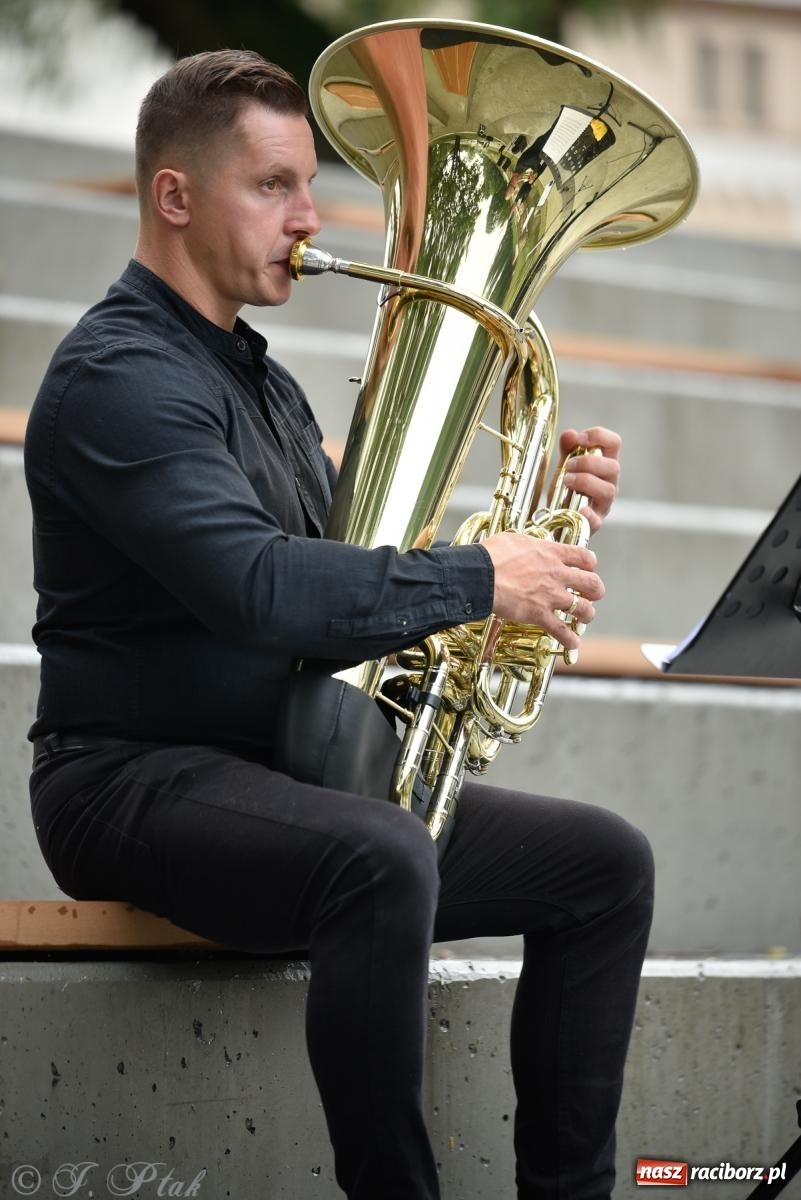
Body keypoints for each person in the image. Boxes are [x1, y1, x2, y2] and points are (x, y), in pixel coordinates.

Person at [24, 49, 653, 1200]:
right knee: (382, 854)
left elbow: (356, 563)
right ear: (176, 196)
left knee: (606, 864)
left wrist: (547, 513)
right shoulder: (117, 376)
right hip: (131, 780)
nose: (310, 216)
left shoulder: (261, 383)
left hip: (293, 769)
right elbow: (257, 590)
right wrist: (478, 577)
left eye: (308, 184)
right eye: (272, 185)